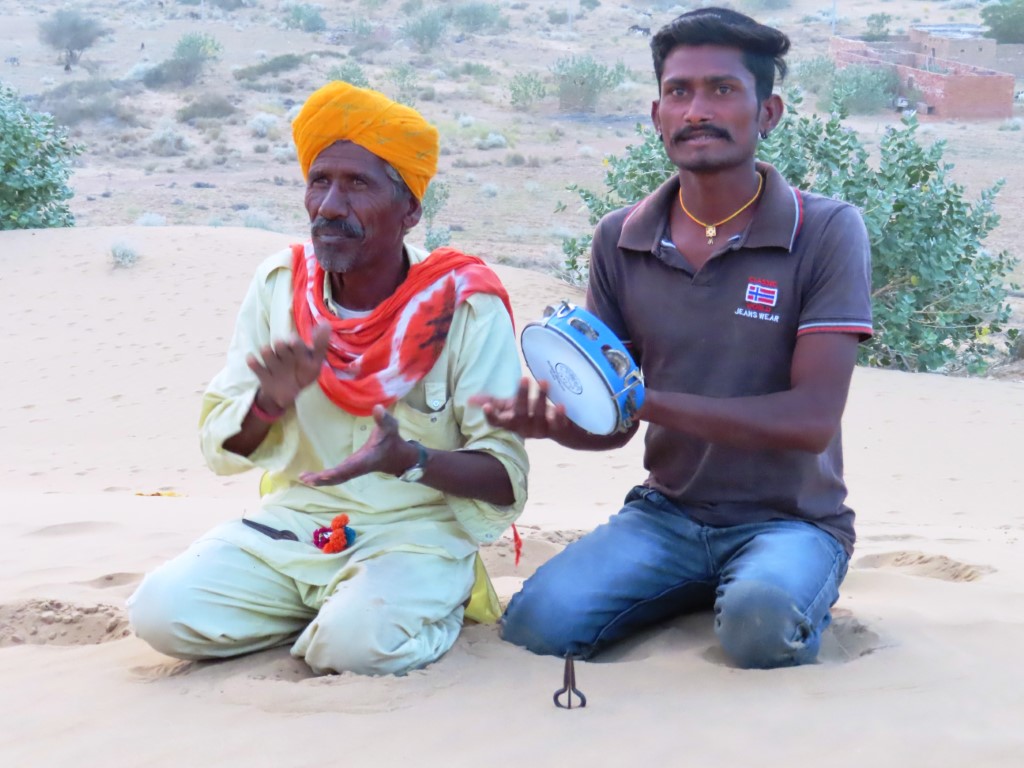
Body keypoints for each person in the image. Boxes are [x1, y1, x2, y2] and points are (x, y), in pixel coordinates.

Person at [477, 8, 873, 669]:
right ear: (657, 114)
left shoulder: (827, 230)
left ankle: (756, 586)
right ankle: (703, 585)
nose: (697, 110)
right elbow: (614, 426)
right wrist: (555, 423)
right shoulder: (620, 237)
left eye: (723, 89)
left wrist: (640, 398)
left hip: (793, 520)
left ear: (768, 112)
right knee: (536, 626)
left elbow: (811, 421)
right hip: (667, 516)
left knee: (760, 628)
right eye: (679, 91)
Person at [127, 82, 529, 676]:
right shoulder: (279, 286)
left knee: (354, 647)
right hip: (295, 525)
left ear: (410, 211)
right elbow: (223, 448)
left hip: (413, 535)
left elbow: (503, 478)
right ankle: (330, 610)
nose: (330, 206)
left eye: (358, 184)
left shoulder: (464, 303)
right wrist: (266, 405)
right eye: (320, 182)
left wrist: (408, 459)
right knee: (160, 613)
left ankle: (403, 608)